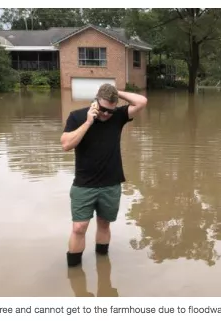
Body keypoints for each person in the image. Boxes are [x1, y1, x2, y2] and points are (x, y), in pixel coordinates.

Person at [61, 83, 148, 267]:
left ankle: (102, 265)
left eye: (110, 110)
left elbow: (141, 101)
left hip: (111, 184)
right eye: (102, 109)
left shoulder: (117, 116)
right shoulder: (77, 117)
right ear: (95, 102)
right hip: (84, 184)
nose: (106, 114)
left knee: (104, 224)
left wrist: (117, 92)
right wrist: (88, 122)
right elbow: (66, 145)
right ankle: (74, 271)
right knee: (79, 227)